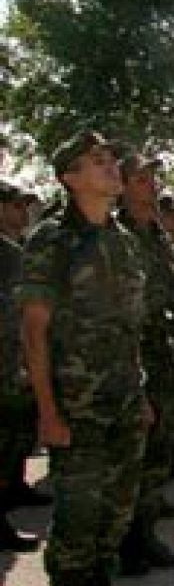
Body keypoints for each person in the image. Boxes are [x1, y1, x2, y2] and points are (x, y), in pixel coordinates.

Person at [19, 130, 152, 586]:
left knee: (115, 514)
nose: (111, 166)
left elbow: (130, 328)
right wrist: (47, 411)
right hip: (77, 408)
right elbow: (34, 333)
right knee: (78, 519)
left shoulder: (122, 241)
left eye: (111, 158)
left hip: (123, 401)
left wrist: (140, 391)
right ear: (70, 177)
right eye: (98, 161)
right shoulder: (52, 241)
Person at [116, 151, 174, 575]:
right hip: (128, 358)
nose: (152, 186)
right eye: (141, 180)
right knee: (129, 456)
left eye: (152, 179)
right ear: (122, 186)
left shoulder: (158, 235)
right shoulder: (115, 235)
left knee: (159, 448)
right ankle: (123, 543)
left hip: (162, 353)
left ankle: (144, 533)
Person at [0, 178, 44, 553]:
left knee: (14, 436)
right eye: (16, 205)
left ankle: (13, 488)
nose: (24, 212)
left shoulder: (16, 250)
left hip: (14, 360)